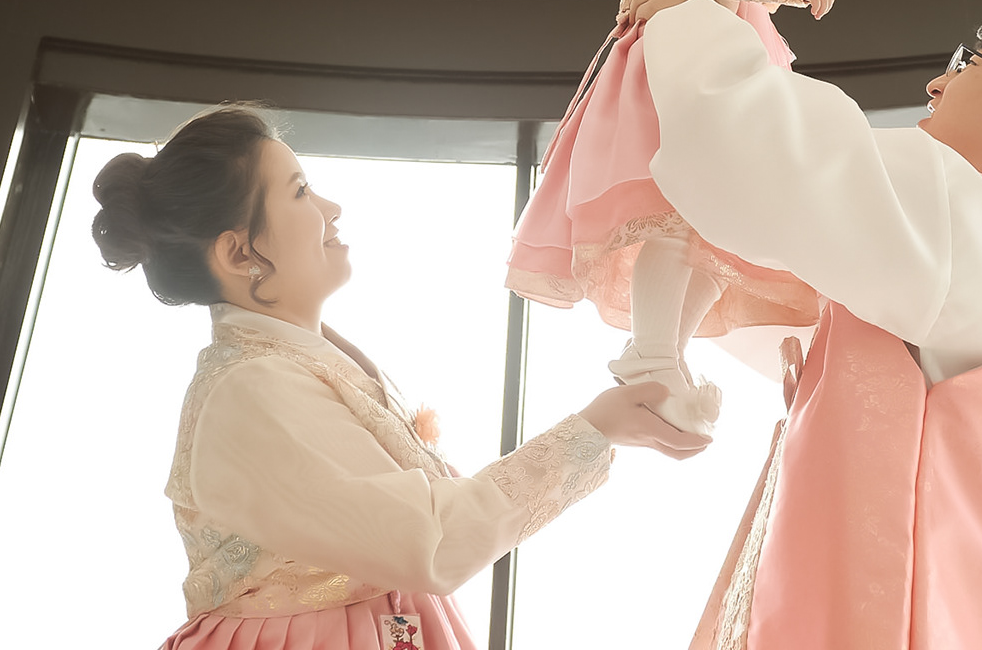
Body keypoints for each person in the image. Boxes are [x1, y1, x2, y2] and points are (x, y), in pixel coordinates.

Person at [623, 0, 982, 650]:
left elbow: (762, 154)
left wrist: (686, 19)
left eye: (966, 62)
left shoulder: (963, 212)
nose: (936, 85)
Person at [91, 105, 707, 650]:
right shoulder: (248, 392)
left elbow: (432, 522)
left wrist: (601, 429)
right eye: (301, 192)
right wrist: (593, 432)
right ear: (238, 253)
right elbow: (430, 537)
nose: (331, 209)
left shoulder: (295, 365)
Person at [504, 0, 836, 435]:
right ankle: (655, 352)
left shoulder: (746, 0)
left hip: (724, 117)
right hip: (661, 104)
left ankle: (660, 353)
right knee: (674, 222)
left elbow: (743, 2)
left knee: (721, 245)